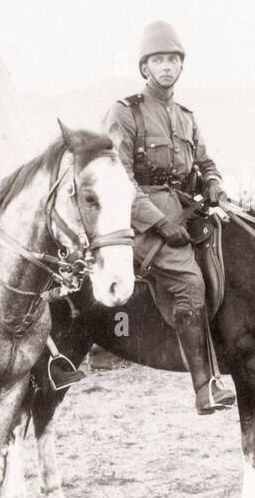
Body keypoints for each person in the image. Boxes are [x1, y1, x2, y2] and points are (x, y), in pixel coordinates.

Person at [102, 21, 237, 415]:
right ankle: (205, 386)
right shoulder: (126, 112)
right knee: (189, 280)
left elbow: (206, 160)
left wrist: (212, 182)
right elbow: (116, 176)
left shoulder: (185, 116)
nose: (166, 67)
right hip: (138, 220)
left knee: (236, 254)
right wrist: (158, 221)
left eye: (173, 60)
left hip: (188, 209)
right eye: (158, 60)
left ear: (181, 66)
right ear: (144, 68)